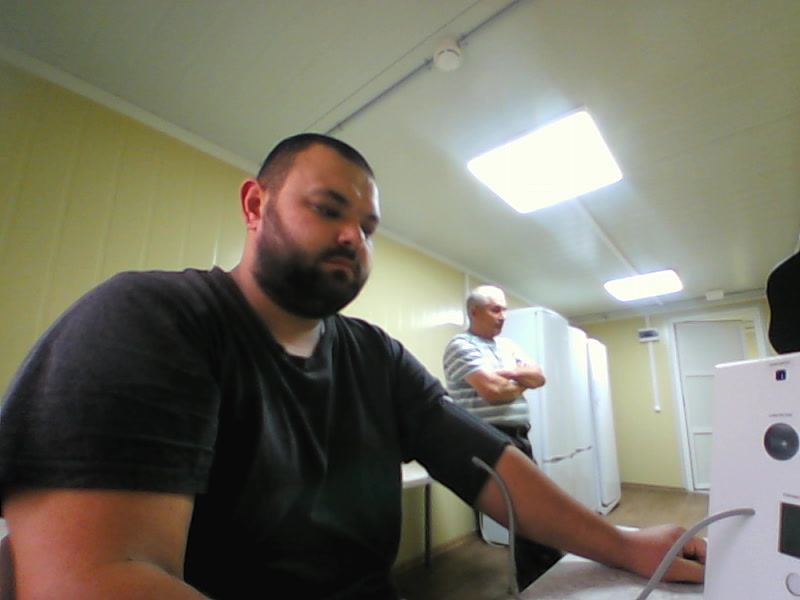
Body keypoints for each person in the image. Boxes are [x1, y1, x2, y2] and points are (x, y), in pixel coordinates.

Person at [0, 133, 705, 600]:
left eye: (367, 228)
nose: (352, 238)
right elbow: (97, 579)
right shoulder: (151, 319)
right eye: (327, 209)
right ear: (255, 204)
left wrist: (623, 545)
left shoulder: (374, 355)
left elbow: (487, 464)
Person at [443, 285, 562, 589]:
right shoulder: (460, 345)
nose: (503, 316)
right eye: (496, 309)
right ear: (474, 311)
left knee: (531, 509)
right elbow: (492, 391)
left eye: (505, 309)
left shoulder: (507, 345)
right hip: (490, 437)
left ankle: (537, 580)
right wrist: (520, 378)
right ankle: (537, 583)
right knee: (526, 511)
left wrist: (509, 375)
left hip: (518, 436)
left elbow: (539, 376)